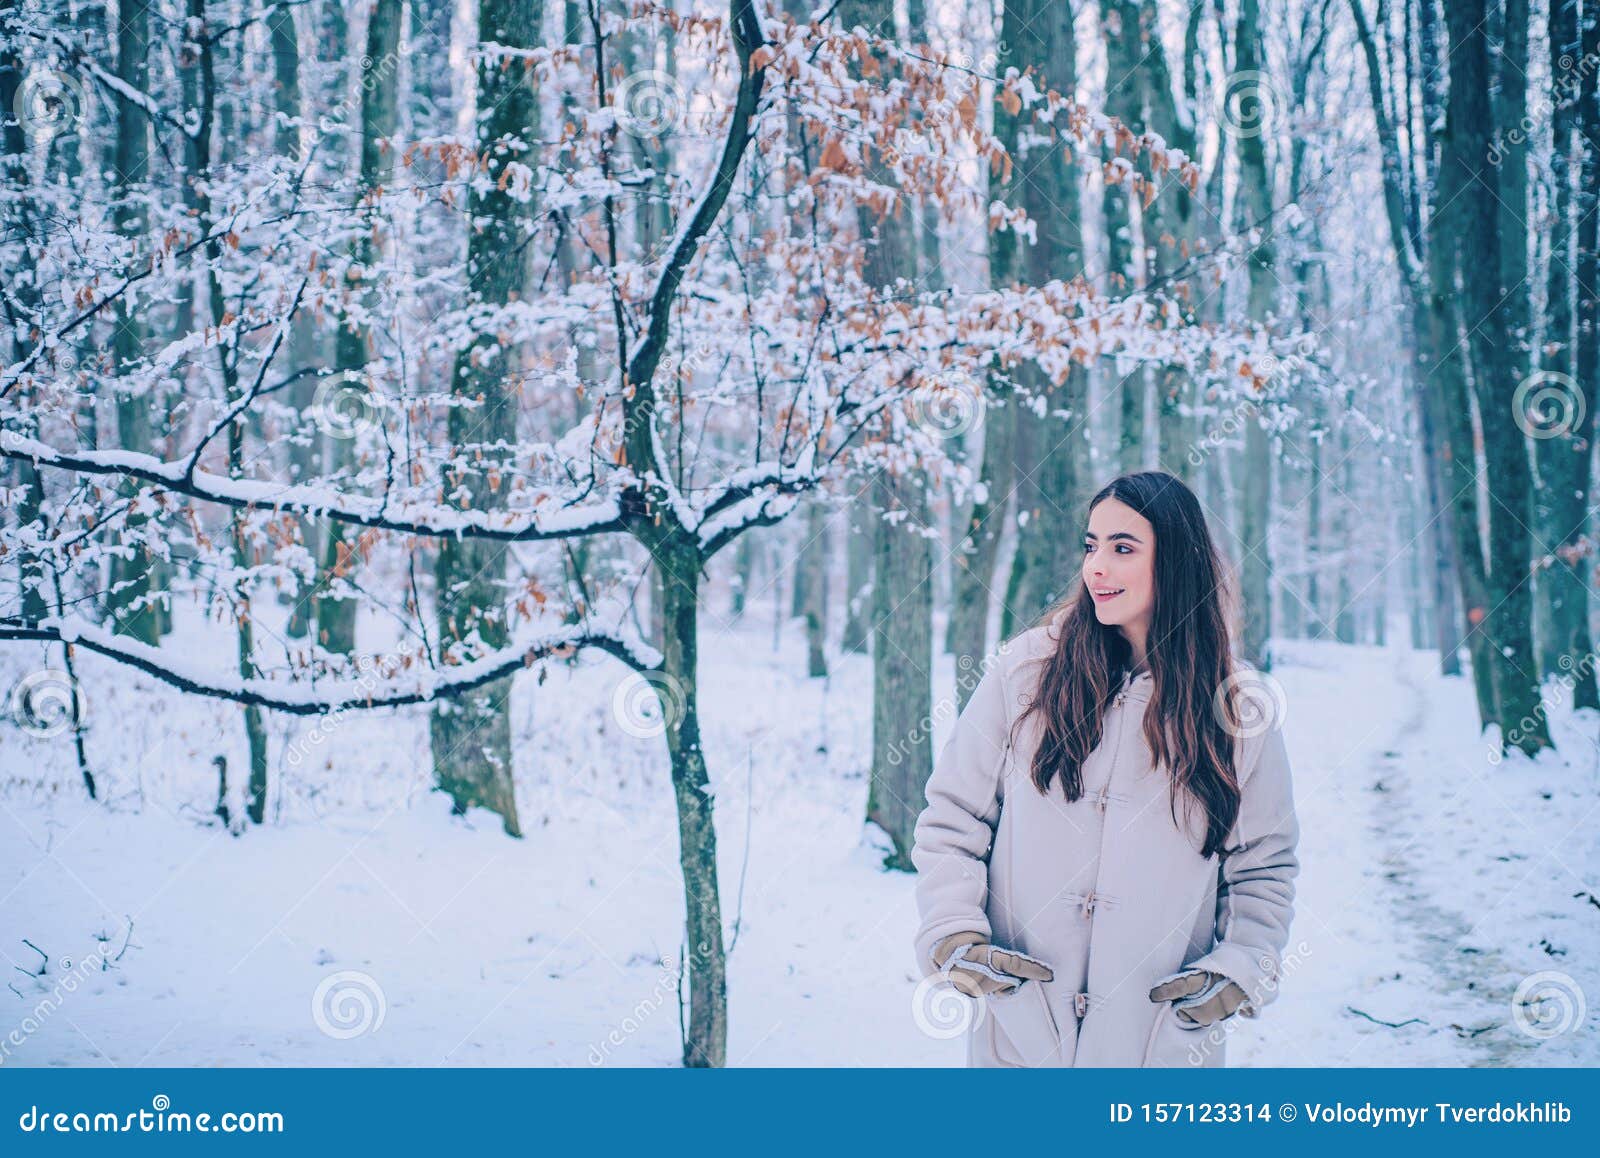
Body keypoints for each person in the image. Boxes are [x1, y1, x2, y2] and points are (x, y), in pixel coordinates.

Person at [910, 470, 1300, 1067]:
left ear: (1176, 561)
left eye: (1123, 548)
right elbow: (952, 818)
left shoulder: (1238, 707)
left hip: (1159, 1049)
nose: (1097, 567)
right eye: (1091, 545)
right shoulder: (1025, 673)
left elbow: (1263, 866)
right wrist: (957, 933)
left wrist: (1241, 970)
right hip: (1019, 1039)